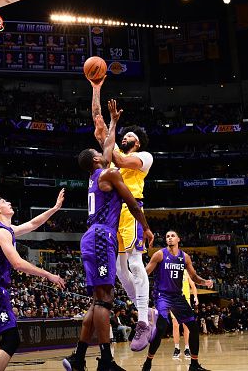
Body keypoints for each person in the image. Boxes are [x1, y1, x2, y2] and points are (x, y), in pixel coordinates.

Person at [64, 99, 153, 371]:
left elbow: (105, 141)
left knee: (98, 299)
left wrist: (110, 117)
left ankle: (78, 357)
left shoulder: (96, 176)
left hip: (90, 236)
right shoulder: (109, 174)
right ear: (95, 159)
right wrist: (148, 227)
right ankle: (106, 360)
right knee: (105, 300)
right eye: (99, 151)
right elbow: (133, 204)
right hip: (103, 236)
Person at [91, 77, 156, 351]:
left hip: (133, 210)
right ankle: (148, 311)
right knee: (119, 270)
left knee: (136, 264)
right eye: (125, 134)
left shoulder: (146, 157)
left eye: (132, 136)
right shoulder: (115, 147)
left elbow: (118, 159)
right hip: (114, 213)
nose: (126, 137)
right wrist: (95, 88)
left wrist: (113, 127)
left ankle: (142, 322)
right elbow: (98, 123)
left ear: (138, 143)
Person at [0, 190, 66, 371]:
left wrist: (55, 208)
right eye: (4, 201)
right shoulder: (1, 232)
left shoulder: (7, 230)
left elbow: (34, 223)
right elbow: (17, 263)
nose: (9, 202)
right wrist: (48, 275)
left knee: (6, 338)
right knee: (11, 340)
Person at [142, 230, 213, 371]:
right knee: (161, 327)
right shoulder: (160, 254)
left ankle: (194, 364)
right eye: (167, 236)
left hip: (177, 296)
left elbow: (194, 277)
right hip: (162, 295)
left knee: (193, 327)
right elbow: (145, 273)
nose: (169, 238)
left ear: (178, 239)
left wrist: (205, 282)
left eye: (172, 236)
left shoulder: (185, 257)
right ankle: (148, 362)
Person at [172, 272, 198, 360]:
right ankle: (177, 348)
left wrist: (195, 297)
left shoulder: (186, 272)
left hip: (186, 301)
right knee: (175, 325)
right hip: (175, 301)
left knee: (186, 326)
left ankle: (187, 348)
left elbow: (193, 286)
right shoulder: (172, 271)